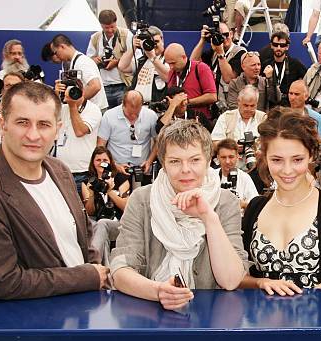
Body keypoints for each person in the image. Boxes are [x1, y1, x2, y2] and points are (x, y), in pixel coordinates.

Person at [0, 81, 109, 299]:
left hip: (83, 312)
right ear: (2, 123)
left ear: (57, 129)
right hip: (30, 325)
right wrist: (87, 277)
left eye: (44, 124)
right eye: (22, 122)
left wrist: (93, 269)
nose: (33, 135)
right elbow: (3, 281)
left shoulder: (60, 170)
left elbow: (83, 235)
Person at [110, 119, 248, 310]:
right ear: (163, 165)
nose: (185, 170)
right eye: (175, 161)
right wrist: (158, 291)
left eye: (195, 160)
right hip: (150, 315)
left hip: (210, 319)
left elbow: (231, 280)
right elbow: (119, 271)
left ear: (208, 161)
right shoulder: (141, 200)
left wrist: (209, 217)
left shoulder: (226, 203)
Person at [241, 108, 321, 294]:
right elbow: (238, 277)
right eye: (277, 160)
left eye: (297, 159)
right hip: (261, 319)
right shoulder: (255, 207)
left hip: (316, 318)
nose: (287, 170)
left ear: (311, 155)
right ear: (265, 158)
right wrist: (260, 282)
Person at [82, 146, 130, 265]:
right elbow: (89, 212)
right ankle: (105, 272)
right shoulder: (88, 181)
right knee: (100, 229)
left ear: (110, 162)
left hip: (118, 222)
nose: (101, 163)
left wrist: (110, 191)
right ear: (93, 162)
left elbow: (126, 207)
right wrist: (92, 194)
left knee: (102, 224)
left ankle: (92, 262)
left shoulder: (121, 179)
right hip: (96, 222)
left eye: (105, 160)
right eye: (98, 160)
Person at [53, 78, 103, 193]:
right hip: (61, 171)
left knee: (83, 209)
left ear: (83, 91)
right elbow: (44, 117)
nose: (72, 94)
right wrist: (55, 96)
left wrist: (72, 105)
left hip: (83, 172)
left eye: (75, 91)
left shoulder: (93, 109)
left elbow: (80, 131)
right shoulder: (61, 107)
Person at [97, 90, 158, 178]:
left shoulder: (150, 115)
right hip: (116, 168)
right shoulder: (109, 116)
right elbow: (100, 145)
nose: (133, 116)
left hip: (142, 168)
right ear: (123, 104)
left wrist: (149, 161)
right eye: (129, 113)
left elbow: (158, 141)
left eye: (136, 113)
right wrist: (114, 165)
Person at [191, 21, 246, 111]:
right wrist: (202, 40)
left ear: (231, 34)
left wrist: (220, 53)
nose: (224, 38)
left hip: (230, 105)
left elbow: (229, 78)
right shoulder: (214, 51)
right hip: (214, 105)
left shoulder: (240, 52)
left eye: (226, 35)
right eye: (220, 35)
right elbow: (193, 62)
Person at [86, 9, 134, 109]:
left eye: (112, 27)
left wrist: (117, 62)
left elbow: (136, 60)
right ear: (101, 25)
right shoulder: (95, 38)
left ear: (116, 22)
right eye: (106, 27)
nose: (110, 30)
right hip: (103, 87)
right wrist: (95, 60)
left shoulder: (127, 35)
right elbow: (89, 60)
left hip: (123, 85)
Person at [51, 34, 109, 111]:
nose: (56, 56)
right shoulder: (74, 61)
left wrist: (75, 102)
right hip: (90, 109)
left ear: (62, 47)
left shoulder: (82, 62)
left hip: (95, 110)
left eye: (55, 52)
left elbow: (95, 86)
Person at [118, 25, 169, 103]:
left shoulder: (167, 59)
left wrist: (153, 57)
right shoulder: (142, 60)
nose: (154, 45)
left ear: (162, 41)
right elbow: (122, 67)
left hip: (155, 106)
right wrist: (133, 48)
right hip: (137, 106)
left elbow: (168, 77)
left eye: (156, 42)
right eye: (150, 42)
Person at [165, 43, 218, 120]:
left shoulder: (201, 68)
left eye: (173, 63)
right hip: (178, 120)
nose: (171, 67)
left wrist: (186, 102)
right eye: (168, 63)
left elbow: (212, 96)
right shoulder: (171, 72)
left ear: (184, 57)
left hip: (199, 120)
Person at [261, 31, 308, 105]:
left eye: (282, 45)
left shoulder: (296, 64)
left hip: (290, 106)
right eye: (275, 45)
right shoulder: (266, 64)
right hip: (271, 105)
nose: (278, 48)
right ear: (271, 45)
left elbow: (307, 81)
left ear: (287, 47)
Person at [216, 139, 259, 211]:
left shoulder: (245, 178)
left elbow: (255, 206)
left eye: (231, 157)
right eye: (223, 157)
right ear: (218, 158)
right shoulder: (211, 176)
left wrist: (242, 204)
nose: (227, 161)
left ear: (237, 156)